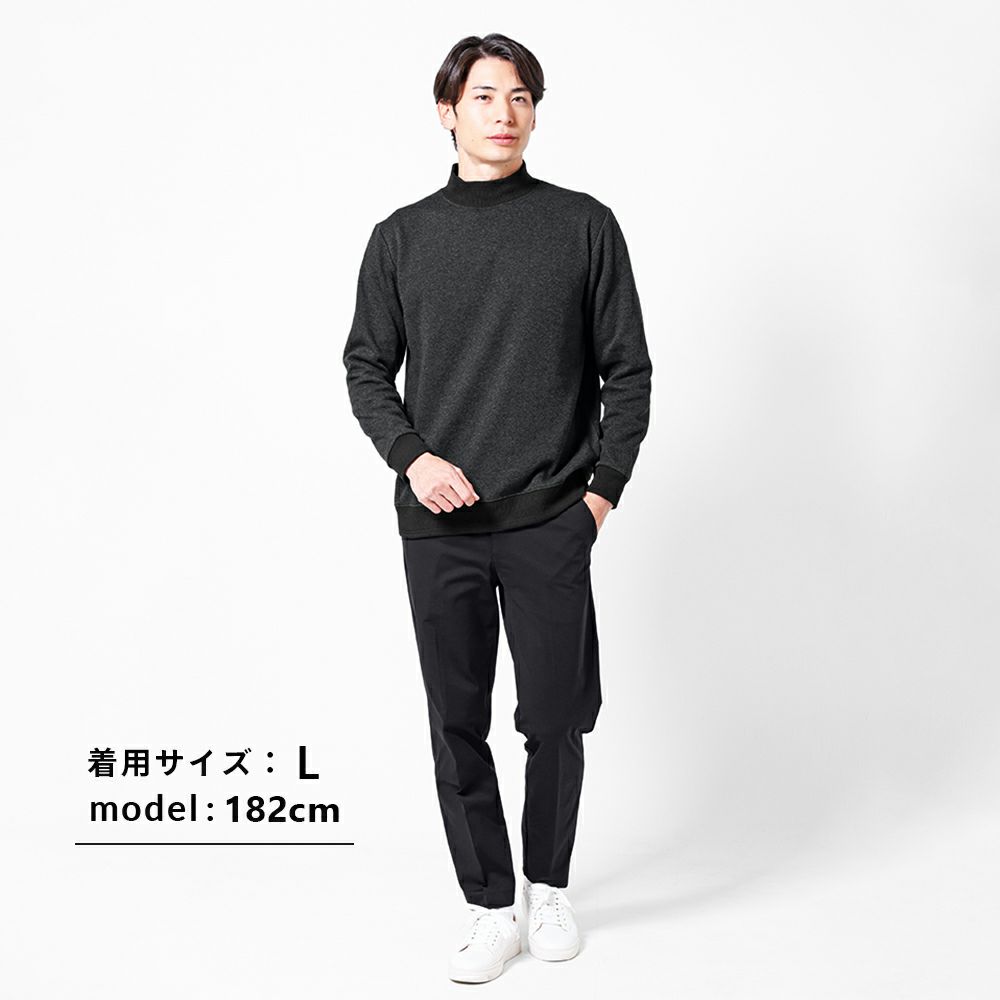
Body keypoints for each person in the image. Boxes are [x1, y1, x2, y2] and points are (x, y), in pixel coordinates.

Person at [343, 32, 652, 984]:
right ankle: (490, 906)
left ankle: (548, 887)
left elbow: (628, 372)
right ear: (448, 112)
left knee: (556, 715)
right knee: (457, 722)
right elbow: (366, 369)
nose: (505, 113)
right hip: (440, 526)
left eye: (520, 97)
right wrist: (413, 458)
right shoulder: (401, 238)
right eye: (484, 96)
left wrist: (598, 497)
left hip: (552, 515)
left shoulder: (583, 226)